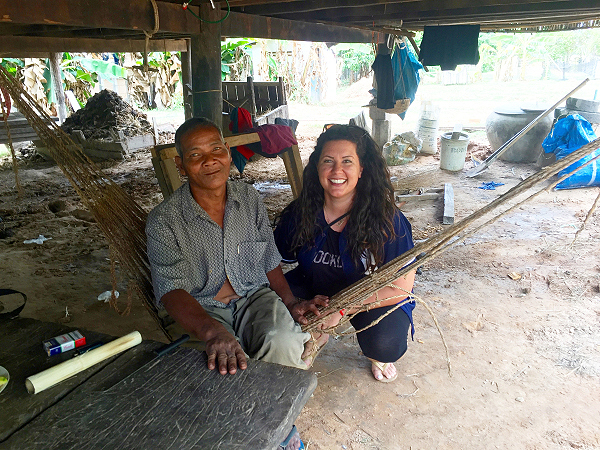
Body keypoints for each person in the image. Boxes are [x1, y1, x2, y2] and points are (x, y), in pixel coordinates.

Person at [145, 117, 328, 378]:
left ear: (228, 152)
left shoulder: (249, 198)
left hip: (255, 298)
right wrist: (211, 330)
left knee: (282, 341)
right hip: (202, 308)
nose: (209, 160)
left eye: (216, 149)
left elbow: (267, 257)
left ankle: (275, 413)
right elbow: (171, 290)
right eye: (196, 154)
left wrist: (289, 301)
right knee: (217, 367)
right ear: (181, 165)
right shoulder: (164, 220)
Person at [274, 124, 416, 382]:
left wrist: (340, 311)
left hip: (367, 293)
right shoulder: (301, 213)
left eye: (347, 161)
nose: (337, 171)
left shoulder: (387, 219)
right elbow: (271, 264)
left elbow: (402, 286)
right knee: (272, 317)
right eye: (328, 161)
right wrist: (294, 304)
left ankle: (370, 347)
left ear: (361, 169)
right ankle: (316, 333)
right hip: (313, 287)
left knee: (385, 345)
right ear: (317, 167)